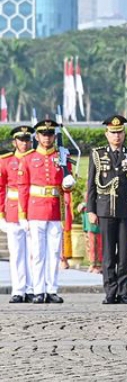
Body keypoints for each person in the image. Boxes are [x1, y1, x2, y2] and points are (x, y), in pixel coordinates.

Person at [86, 115, 127, 305]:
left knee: (125, 253)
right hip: (105, 209)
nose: (117, 136)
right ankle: (110, 291)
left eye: (119, 132)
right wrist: (91, 210)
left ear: (124, 133)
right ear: (106, 134)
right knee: (109, 254)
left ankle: (123, 291)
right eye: (113, 133)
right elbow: (91, 186)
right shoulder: (98, 154)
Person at [18, 120, 75, 304]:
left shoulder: (61, 156)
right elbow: (23, 188)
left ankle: (51, 289)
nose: (47, 137)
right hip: (35, 210)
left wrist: (68, 185)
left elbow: (67, 183)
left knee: (53, 253)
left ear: (54, 136)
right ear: (37, 136)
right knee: (38, 253)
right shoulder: (28, 158)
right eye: (43, 134)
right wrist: (22, 214)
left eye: (50, 134)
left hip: (55, 210)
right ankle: (38, 290)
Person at [0, 126, 35, 303]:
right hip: (13, 210)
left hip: (33, 209)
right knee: (17, 253)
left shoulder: (35, 158)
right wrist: (0, 214)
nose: (24, 143)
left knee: (33, 253)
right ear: (15, 142)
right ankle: (18, 289)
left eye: (27, 140)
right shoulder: (6, 161)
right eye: (21, 140)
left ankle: (32, 288)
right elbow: (0, 188)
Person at [77, 198, 102, 274]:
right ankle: (92, 264)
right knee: (90, 243)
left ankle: (99, 265)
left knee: (99, 243)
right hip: (89, 216)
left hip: (99, 214)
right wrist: (83, 204)